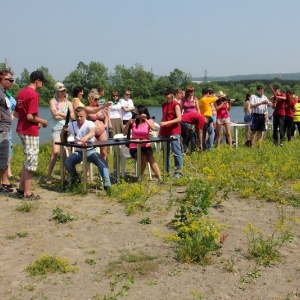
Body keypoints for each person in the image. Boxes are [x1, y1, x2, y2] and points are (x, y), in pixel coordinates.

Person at [13, 71, 48, 199]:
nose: (42, 84)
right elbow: (30, 116)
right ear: (37, 80)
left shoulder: (21, 92)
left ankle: (21, 189)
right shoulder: (33, 94)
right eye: (42, 81)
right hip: (29, 131)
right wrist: (42, 121)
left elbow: (17, 113)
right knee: (31, 161)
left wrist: (34, 121)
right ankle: (27, 193)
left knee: (27, 159)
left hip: (21, 129)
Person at [62, 106, 111, 189]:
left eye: (81, 116)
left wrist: (86, 137)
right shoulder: (71, 125)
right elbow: (63, 140)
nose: (79, 118)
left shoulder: (90, 123)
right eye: (77, 116)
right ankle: (76, 179)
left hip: (90, 151)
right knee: (67, 162)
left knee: (102, 162)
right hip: (79, 151)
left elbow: (92, 133)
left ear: (85, 115)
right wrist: (63, 132)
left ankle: (107, 185)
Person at [123, 105, 162, 181]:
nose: (136, 115)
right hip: (134, 146)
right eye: (136, 113)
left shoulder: (149, 121)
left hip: (145, 145)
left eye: (137, 113)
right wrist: (128, 124)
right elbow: (124, 133)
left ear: (142, 113)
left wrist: (146, 119)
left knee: (150, 158)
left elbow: (154, 129)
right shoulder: (133, 122)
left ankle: (159, 177)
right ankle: (139, 177)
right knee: (143, 157)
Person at [46, 82, 74, 184]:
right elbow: (55, 116)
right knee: (55, 151)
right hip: (56, 129)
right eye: (61, 91)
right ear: (57, 92)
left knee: (66, 152)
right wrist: (65, 115)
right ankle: (48, 176)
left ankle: (66, 175)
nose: (63, 93)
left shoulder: (69, 103)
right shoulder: (52, 102)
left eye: (64, 91)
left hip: (67, 129)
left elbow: (72, 116)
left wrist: (61, 113)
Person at [159, 87, 183, 178]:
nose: (165, 95)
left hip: (174, 131)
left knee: (176, 152)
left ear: (172, 94)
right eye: (164, 94)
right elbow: (163, 118)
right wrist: (160, 131)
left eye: (167, 93)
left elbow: (179, 118)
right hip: (165, 131)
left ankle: (178, 172)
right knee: (166, 152)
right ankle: (166, 172)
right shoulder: (164, 105)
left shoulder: (176, 104)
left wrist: (167, 122)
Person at [0, 70, 14, 193]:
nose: (12, 83)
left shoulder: (4, 93)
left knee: (5, 156)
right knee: (2, 156)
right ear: (3, 80)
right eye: (11, 81)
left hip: (5, 129)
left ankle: (4, 181)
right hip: (1, 129)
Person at [85, 89, 109, 162]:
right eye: (96, 99)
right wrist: (103, 106)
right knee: (89, 152)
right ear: (90, 99)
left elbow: (106, 117)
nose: (97, 101)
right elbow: (93, 111)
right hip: (92, 132)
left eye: (98, 99)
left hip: (102, 131)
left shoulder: (100, 108)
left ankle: (105, 170)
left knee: (104, 152)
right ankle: (88, 171)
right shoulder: (87, 108)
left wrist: (105, 125)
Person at [180, 86, 200, 153]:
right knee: (187, 134)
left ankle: (193, 149)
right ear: (188, 92)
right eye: (191, 91)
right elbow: (180, 109)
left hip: (194, 118)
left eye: (193, 91)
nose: (192, 92)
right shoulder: (183, 99)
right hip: (186, 118)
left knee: (193, 134)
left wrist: (199, 116)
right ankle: (186, 149)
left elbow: (198, 109)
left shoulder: (195, 99)